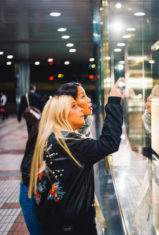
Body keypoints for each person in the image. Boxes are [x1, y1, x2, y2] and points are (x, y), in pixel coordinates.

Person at [28, 78, 124, 234]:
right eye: (74, 106)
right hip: (72, 227)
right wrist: (113, 101)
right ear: (61, 114)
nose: (80, 108)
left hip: (54, 224)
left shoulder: (51, 137)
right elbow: (109, 143)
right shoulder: (68, 142)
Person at [19, 83, 94, 234]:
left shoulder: (79, 128)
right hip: (33, 197)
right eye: (83, 96)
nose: (89, 100)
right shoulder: (53, 133)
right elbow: (29, 172)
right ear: (67, 104)